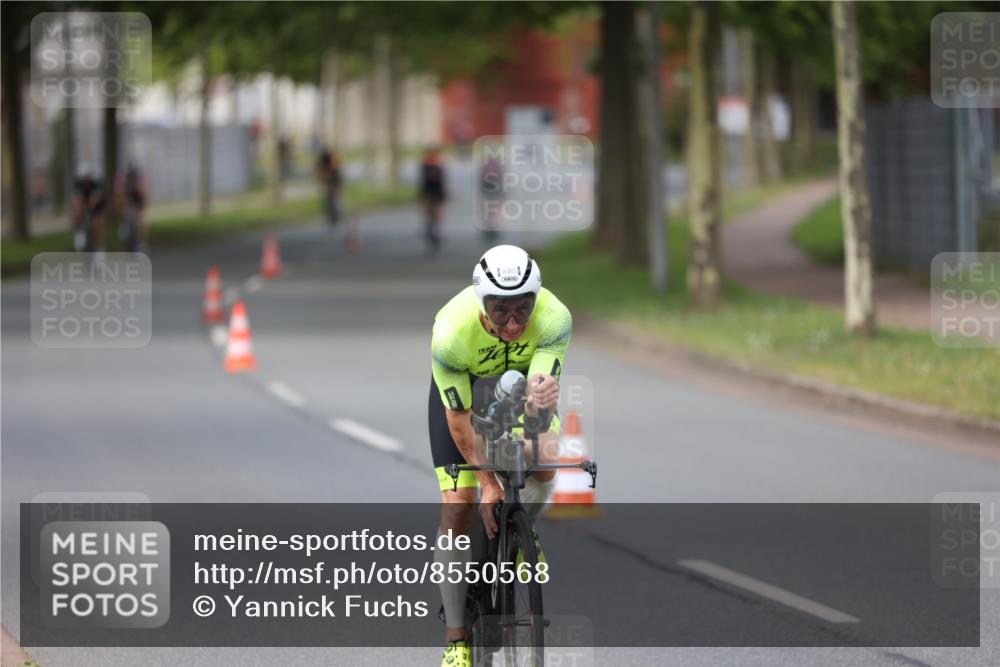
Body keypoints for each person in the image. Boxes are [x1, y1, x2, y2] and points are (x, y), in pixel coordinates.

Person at [429, 245, 571, 666]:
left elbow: (540, 398)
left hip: (518, 392)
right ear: (480, 303)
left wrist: (540, 406)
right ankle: (457, 638)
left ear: (536, 300)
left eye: (522, 310)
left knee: (543, 459)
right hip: (465, 402)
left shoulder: (555, 317)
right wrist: (488, 484)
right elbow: (458, 419)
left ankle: (525, 531)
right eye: (500, 311)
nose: (512, 323)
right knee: (458, 507)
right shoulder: (451, 332)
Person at [72, 162, 105, 256]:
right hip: (83, 203)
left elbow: (96, 198)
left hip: (96, 206)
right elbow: (76, 198)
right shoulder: (76, 183)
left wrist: (89, 208)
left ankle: (99, 249)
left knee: (97, 224)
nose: (85, 180)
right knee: (77, 211)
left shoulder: (96, 184)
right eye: (83, 178)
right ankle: (79, 232)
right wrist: (80, 208)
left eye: (87, 177)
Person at [115, 161, 148, 253]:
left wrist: (141, 207)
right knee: (120, 203)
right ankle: (122, 225)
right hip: (126, 199)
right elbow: (119, 194)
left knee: (141, 221)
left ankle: (142, 243)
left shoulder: (139, 178)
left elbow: (142, 193)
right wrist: (122, 206)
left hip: (137, 199)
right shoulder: (122, 178)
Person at [419, 148, 447, 252]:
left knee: (432, 213)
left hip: (430, 192)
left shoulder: (426, 165)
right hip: (434, 192)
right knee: (434, 213)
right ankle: (433, 230)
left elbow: (424, 181)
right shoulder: (436, 165)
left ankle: (431, 230)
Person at [316, 148, 343, 226]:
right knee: (330, 199)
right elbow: (321, 175)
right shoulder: (325, 163)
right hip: (330, 181)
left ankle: (335, 215)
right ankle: (333, 215)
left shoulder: (333, 164)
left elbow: (337, 176)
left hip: (333, 180)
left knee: (333, 198)